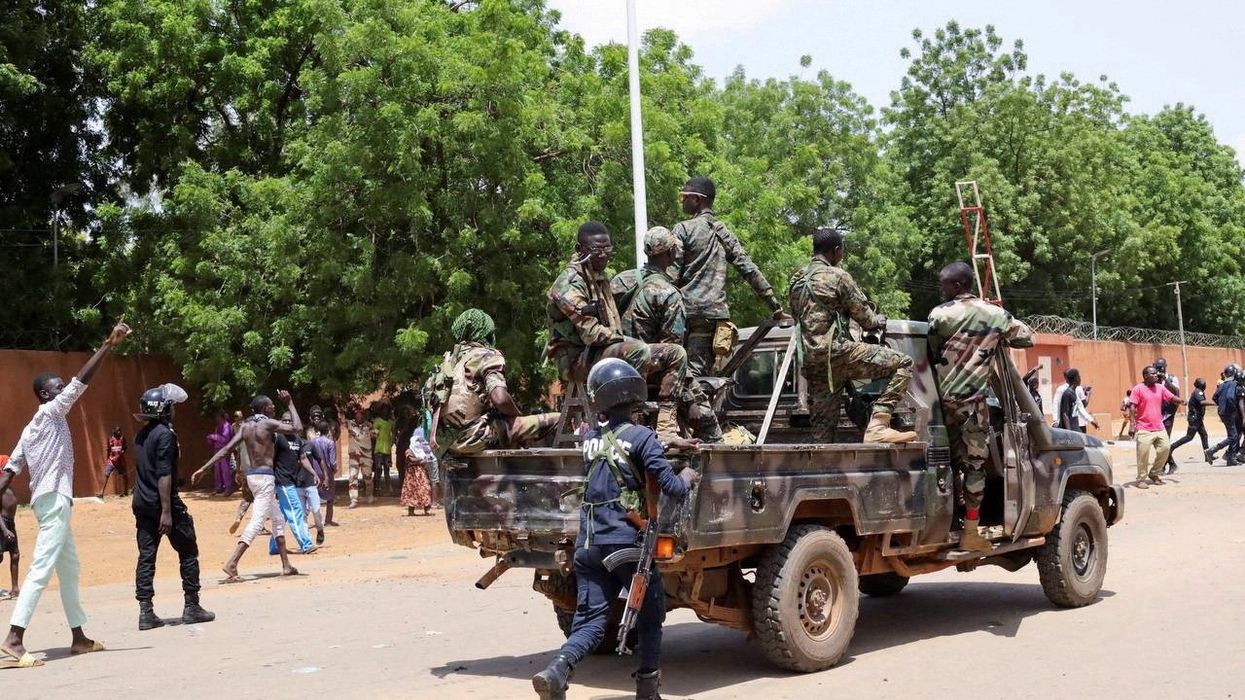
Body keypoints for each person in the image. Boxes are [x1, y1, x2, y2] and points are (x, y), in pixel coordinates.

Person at [531, 359, 699, 700]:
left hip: (589, 546)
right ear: (633, 393)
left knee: (591, 622)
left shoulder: (591, 439)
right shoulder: (643, 437)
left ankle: (557, 669)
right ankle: (647, 690)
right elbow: (672, 487)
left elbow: (622, 451)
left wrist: (664, 447)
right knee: (651, 615)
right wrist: (688, 476)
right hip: (626, 547)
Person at [0, 321, 130, 667]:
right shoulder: (49, 412)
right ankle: (14, 639)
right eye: (57, 388)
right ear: (45, 394)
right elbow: (81, 383)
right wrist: (107, 345)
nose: (64, 391)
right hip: (55, 500)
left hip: (49, 502)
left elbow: (10, 469)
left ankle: (79, 638)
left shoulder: (31, 429)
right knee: (41, 568)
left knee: (69, 568)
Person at [546, 221, 690, 437]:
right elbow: (593, 333)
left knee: (675, 353)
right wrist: (623, 341)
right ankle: (631, 423)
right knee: (637, 350)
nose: (604, 255)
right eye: (597, 249)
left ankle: (666, 428)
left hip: (599, 353)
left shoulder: (599, 277)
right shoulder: (568, 284)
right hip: (578, 359)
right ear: (579, 249)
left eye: (607, 249)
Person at [926, 262, 1033, 552]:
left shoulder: (939, 315)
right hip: (973, 405)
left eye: (945, 284)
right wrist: (994, 335)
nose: (941, 289)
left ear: (958, 286)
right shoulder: (994, 314)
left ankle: (948, 522)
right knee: (975, 467)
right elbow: (1026, 337)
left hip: (940, 404)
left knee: (944, 465)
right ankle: (971, 530)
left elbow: (932, 351)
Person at [789, 228, 916, 444]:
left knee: (822, 433)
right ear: (836, 251)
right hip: (839, 354)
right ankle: (878, 425)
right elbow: (866, 318)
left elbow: (799, 318)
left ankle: (822, 473)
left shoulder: (796, 280)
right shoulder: (838, 276)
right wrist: (879, 320)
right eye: (842, 252)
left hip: (813, 362)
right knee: (903, 364)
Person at [670, 176, 791, 375]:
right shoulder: (723, 232)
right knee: (706, 375)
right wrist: (775, 308)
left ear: (698, 199)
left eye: (685, 196)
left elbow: (670, 276)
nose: (682, 200)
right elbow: (749, 270)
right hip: (716, 317)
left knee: (689, 377)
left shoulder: (683, 229)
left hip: (689, 315)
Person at [611, 226, 723, 441]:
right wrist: (691, 401)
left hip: (616, 364)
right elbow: (672, 354)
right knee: (707, 423)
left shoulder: (620, 281)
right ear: (671, 254)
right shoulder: (669, 295)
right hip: (651, 371)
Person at [131, 384, 215, 630]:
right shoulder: (165, 434)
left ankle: (146, 612)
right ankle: (192, 606)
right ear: (165, 410)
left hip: (142, 503)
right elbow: (164, 474)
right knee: (188, 550)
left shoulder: (142, 434)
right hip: (162, 505)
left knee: (146, 556)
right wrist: (167, 512)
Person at [194, 391, 303, 581]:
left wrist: (204, 468)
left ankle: (286, 565)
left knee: (277, 517)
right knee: (257, 521)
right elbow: (297, 428)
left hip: (251, 477)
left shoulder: (245, 427)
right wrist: (290, 403)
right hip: (265, 478)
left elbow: (226, 449)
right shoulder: (267, 424)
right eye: (271, 405)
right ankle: (232, 563)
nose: (273, 407)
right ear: (264, 408)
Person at [430, 309, 560, 455]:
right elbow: (500, 399)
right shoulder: (485, 356)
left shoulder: (447, 363)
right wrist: (517, 416)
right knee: (559, 420)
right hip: (474, 438)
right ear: (486, 332)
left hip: (445, 445)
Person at [1128, 366, 1185, 489]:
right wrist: (1132, 425)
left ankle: (1154, 473)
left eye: (1156, 373)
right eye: (1152, 373)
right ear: (1145, 376)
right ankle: (1141, 479)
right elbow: (1132, 407)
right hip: (1143, 428)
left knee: (1165, 449)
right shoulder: (1138, 389)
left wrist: (1180, 400)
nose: (1156, 375)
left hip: (1159, 426)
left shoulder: (1160, 387)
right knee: (1143, 454)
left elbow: (1171, 397)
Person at [272, 412, 315, 554]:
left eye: (290, 421)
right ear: (280, 421)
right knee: (295, 510)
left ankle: (275, 546)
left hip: (291, 481)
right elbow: (270, 459)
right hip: (282, 481)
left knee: (283, 514)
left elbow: (303, 458)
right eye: (285, 421)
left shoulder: (297, 439)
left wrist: (314, 473)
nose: (288, 423)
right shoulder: (278, 438)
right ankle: (306, 543)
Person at [1169, 378, 1209, 469]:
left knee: (1204, 435)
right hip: (1194, 419)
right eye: (1203, 384)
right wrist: (1214, 404)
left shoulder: (1199, 391)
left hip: (1198, 419)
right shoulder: (1198, 392)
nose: (1205, 386)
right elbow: (1202, 402)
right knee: (1189, 437)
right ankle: (1172, 447)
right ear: (1200, 385)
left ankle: (1208, 455)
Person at [305, 420, 339, 527]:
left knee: (314, 496)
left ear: (318, 430)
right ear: (327, 430)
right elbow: (332, 460)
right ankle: (328, 520)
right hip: (327, 471)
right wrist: (334, 469)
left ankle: (317, 520)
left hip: (315, 470)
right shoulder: (330, 442)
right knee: (330, 497)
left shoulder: (313, 442)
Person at [297, 431, 326, 546]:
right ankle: (307, 541)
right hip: (297, 484)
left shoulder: (309, 445)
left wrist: (325, 476)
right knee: (302, 514)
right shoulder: (289, 447)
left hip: (310, 482)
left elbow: (320, 459)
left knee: (316, 510)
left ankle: (320, 529)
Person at [1207, 365, 1240, 466]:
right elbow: (1230, 397)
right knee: (1233, 436)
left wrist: (1221, 405)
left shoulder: (1222, 384)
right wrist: (1233, 407)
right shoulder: (1234, 384)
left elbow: (1214, 397)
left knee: (1233, 433)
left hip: (1222, 412)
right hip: (1230, 412)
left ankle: (1231, 458)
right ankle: (1212, 450)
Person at [1154, 358, 1182, 472]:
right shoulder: (1153, 377)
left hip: (1169, 413)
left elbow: (1176, 392)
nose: (1159, 369)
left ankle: (1162, 466)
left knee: (1165, 440)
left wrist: (1165, 380)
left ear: (1166, 366)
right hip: (1156, 413)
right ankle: (1171, 463)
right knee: (1158, 441)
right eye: (1157, 367)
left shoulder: (1172, 378)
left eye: (1161, 367)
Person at [401, 427, 435, 516]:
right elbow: (411, 459)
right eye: (416, 441)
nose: (418, 443)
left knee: (425, 489)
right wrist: (420, 461)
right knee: (412, 491)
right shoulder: (408, 451)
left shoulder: (422, 451)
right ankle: (411, 511)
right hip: (412, 475)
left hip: (421, 474)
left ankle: (427, 509)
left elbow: (428, 458)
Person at [345, 404, 374, 508]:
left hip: (366, 455)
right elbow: (341, 417)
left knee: (368, 477)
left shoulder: (369, 426)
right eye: (356, 414)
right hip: (354, 455)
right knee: (353, 477)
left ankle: (369, 494)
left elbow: (374, 435)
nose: (358, 416)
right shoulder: (350, 424)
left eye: (360, 414)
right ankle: (354, 499)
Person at [0, 459, 18, 601]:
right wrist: (5, 530)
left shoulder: (8, 486)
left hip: (10, 523)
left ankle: (15, 588)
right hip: (2, 525)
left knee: (15, 555)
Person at [206, 411, 233, 495]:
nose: (216, 418)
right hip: (217, 450)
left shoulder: (227, 426)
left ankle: (228, 488)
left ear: (221, 417)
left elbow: (225, 439)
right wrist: (211, 440)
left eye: (218, 416)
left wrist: (212, 436)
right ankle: (218, 487)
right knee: (217, 470)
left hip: (224, 450)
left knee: (225, 470)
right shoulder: (218, 427)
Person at [98, 425, 129, 498]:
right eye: (118, 431)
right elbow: (108, 449)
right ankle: (101, 492)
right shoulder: (110, 439)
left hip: (120, 460)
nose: (119, 432)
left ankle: (126, 491)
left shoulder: (122, 438)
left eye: (120, 430)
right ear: (114, 432)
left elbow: (125, 448)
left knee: (124, 475)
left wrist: (120, 455)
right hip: (111, 461)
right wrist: (108, 459)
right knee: (106, 474)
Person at [372, 404, 394, 496]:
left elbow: (393, 433)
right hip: (379, 449)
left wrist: (391, 442)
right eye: (383, 410)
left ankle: (388, 489)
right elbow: (373, 435)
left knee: (387, 469)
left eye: (387, 410)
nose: (385, 412)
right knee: (378, 469)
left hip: (387, 450)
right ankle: (376, 488)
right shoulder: (377, 421)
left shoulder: (390, 423)